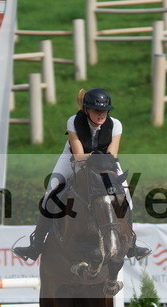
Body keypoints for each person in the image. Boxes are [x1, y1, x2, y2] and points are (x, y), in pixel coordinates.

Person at [13, 88, 151, 262]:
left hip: (104, 163)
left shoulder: (116, 124)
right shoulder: (74, 122)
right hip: (73, 159)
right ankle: (36, 245)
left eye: (105, 110)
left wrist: (100, 158)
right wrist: (97, 156)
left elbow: (112, 155)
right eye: (96, 110)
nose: (102, 114)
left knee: (125, 196)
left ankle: (132, 244)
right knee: (51, 194)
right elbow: (78, 156)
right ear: (86, 110)